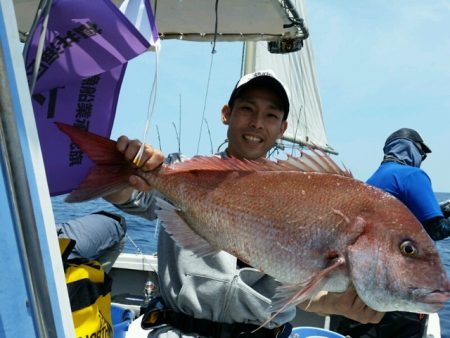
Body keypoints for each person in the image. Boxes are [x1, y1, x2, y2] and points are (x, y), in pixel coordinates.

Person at [104, 70, 384, 337]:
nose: (257, 123)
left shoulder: (298, 197)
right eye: (248, 109)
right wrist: (124, 167)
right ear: (227, 114)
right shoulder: (181, 172)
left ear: (282, 128)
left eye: (271, 115)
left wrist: (336, 304)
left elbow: (292, 290)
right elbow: (128, 197)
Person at [330, 128, 450, 338]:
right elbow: (437, 230)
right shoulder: (413, 175)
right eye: (422, 153)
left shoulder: (372, 179)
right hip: (394, 293)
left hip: (359, 290)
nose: (422, 159)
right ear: (414, 149)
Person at [56, 210, 127, 272]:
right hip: (95, 218)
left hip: (117, 229)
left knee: (96, 276)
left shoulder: (73, 254)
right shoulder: (52, 233)